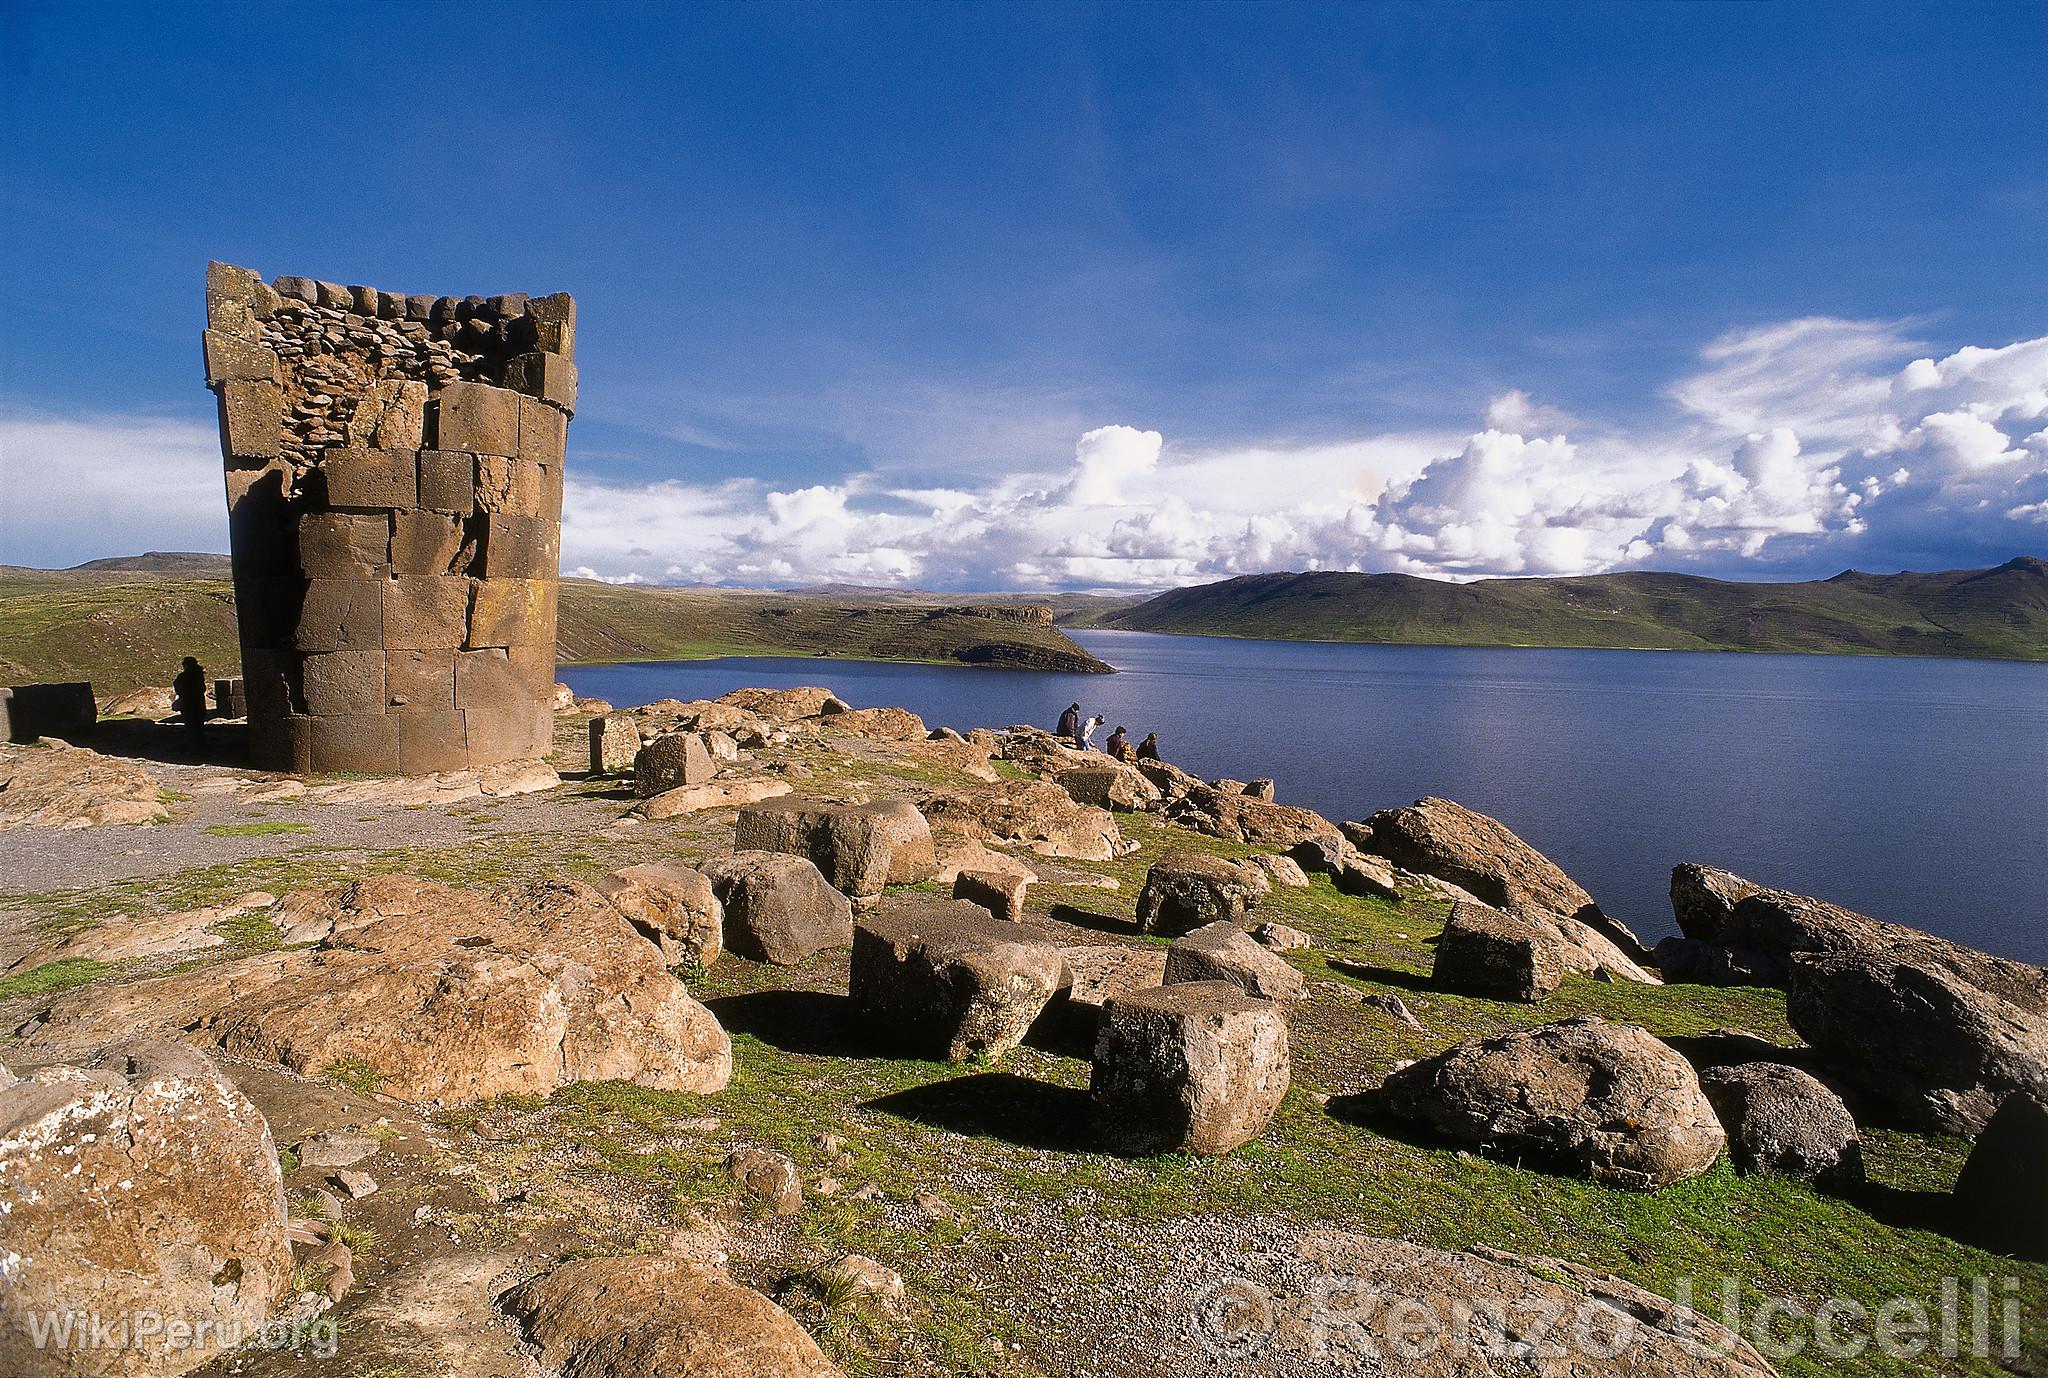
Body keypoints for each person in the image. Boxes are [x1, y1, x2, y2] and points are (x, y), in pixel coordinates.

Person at [173, 656, 209, 751]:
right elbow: (202, 689)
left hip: (188, 705)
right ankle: (201, 746)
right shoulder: (199, 676)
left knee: (191, 727)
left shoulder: (183, 677)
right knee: (199, 726)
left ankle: (194, 748)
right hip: (199, 704)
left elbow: (178, 689)